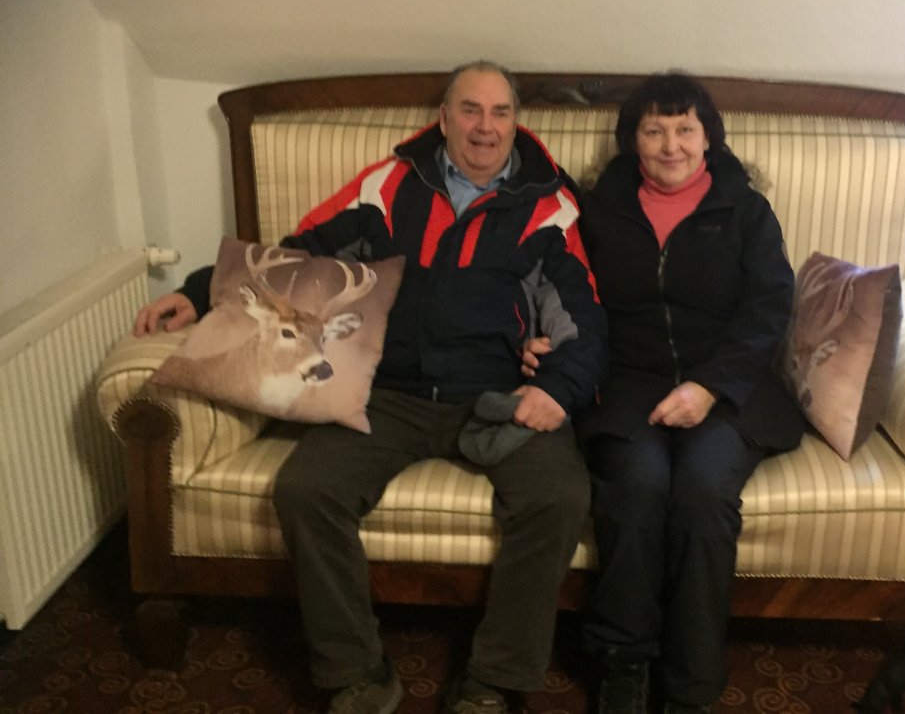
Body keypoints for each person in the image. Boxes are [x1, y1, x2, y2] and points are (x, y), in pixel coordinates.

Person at [133, 61, 607, 714]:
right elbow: (298, 259)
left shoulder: (551, 207)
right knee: (306, 489)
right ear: (444, 118)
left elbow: (584, 317)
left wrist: (558, 386)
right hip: (388, 394)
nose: (485, 126)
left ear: (515, 122)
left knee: (561, 494)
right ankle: (355, 672)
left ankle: (495, 679)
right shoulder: (386, 187)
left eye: (500, 112)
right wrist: (197, 293)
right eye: (470, 110)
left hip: (497, 396)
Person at [526, 72, 804, 714]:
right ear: (633, 140)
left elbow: (768, 308)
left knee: (704, 491)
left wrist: (709, 386)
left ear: (708, 138)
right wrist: (538, 335)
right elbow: (563, 287)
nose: (671, 145)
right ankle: (624, 660)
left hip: (730, 388)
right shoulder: (597, 212)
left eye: (684, 128)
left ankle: (691, 682)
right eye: (654, 130)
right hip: (627, 382)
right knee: (636, 485)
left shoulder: (746, 212)